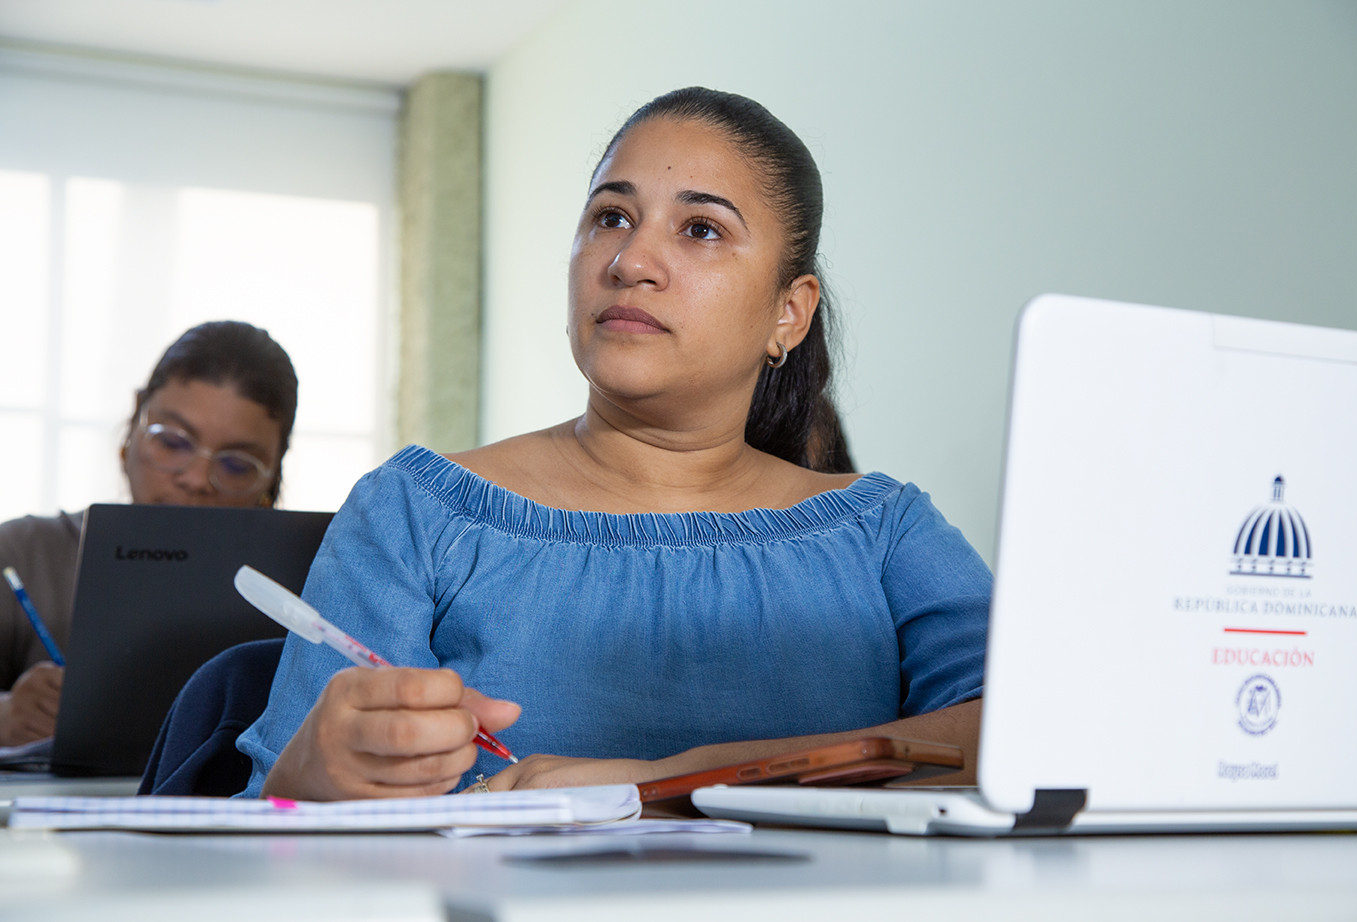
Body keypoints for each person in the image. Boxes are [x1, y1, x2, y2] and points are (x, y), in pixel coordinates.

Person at [239, 87, 990, 802]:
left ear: (789, 315)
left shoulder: (885, 531)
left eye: (701, 229)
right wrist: (300, 783)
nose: (629, 263)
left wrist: (666, 782)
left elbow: (1032, 735)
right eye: (610, 217)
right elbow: (269, 845)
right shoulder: (411, 513)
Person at [0, 321, 298, 747]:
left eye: (236, 465)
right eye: (173, 442)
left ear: (272, 480)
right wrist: (6, 716)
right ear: (131, 428)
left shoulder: (302, 596)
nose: (196, 478)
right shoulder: (23, 555)